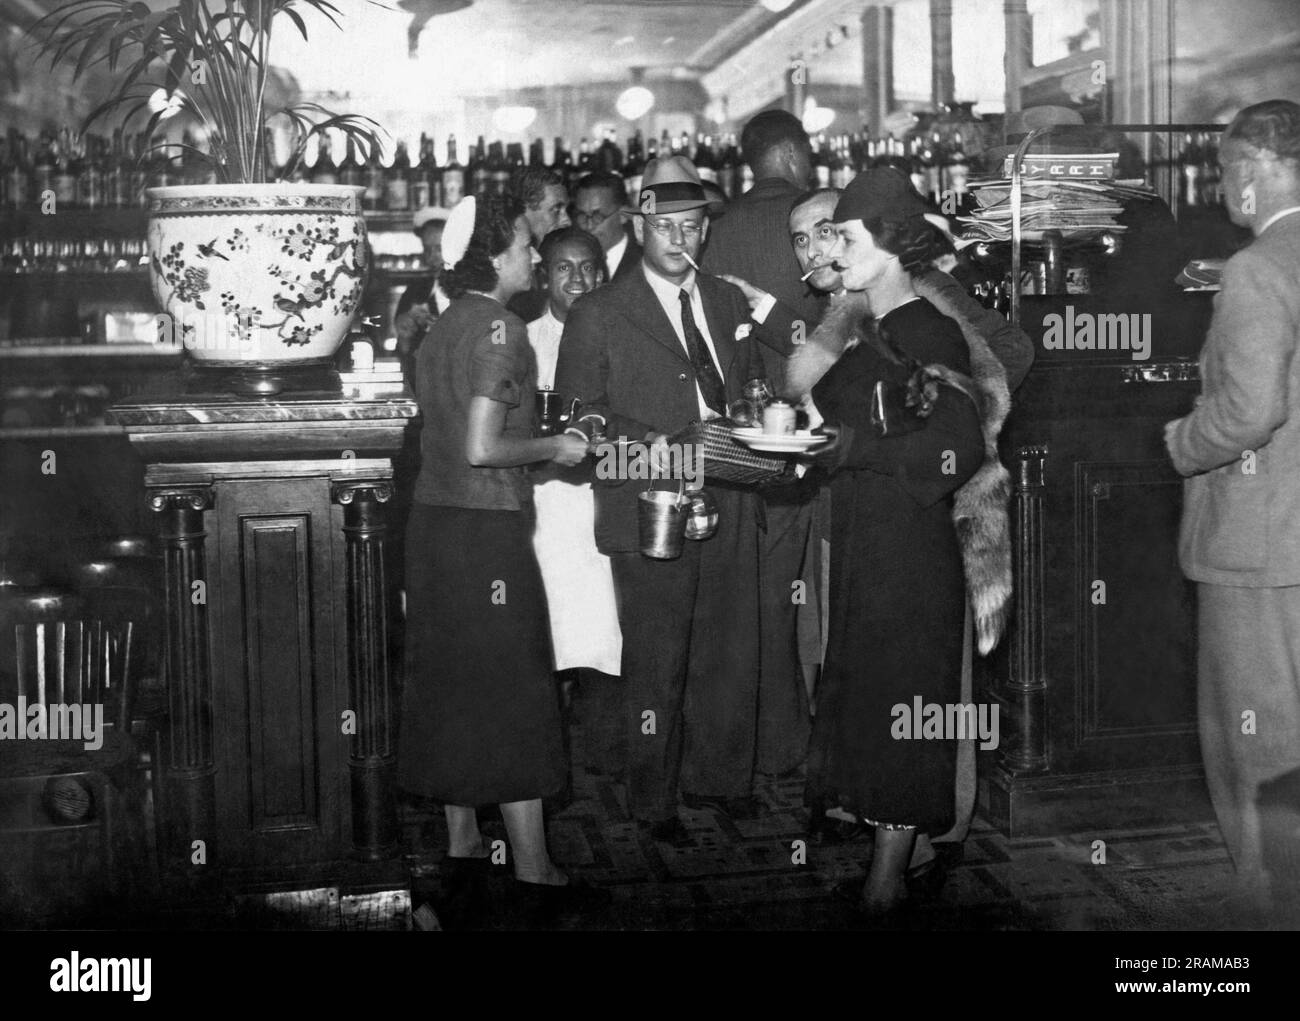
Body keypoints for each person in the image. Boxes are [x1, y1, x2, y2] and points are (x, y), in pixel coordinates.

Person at [555, 156, 766, 846]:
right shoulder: (598, 311)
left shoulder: (731, 301)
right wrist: (673, 444)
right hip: (650, 499)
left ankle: (722, 779)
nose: (681, 239)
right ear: (639, 226)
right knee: (657, 656)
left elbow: (750, 388)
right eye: (666, 226)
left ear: (707, 229)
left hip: (732, 491)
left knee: (729, 647)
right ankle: (653, 800)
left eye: (693, 226)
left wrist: (766, 422)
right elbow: (579, 417)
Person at [397, 193, 597, 917]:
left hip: (434, 527)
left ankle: (463, 845)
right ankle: (535, 872)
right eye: (523, 244)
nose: (534, 255)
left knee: (455, 687)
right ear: (496, 256)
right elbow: (484, 446)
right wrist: (559, 445)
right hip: (485, 533)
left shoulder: (442, 322)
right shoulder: (502, 327)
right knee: (514, 692)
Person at [802, 167, 988, 917]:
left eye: (844, 235)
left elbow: (957, 450)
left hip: (909, 551)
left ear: (885, 243)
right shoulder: (866, 326)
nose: (832, 248)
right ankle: (897, 856)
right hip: (864, 540)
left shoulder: (930, 331)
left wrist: (854, 447)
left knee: (900, 699)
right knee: (872, 701)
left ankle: (885, 882)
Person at [1163, 99, 1300, 924]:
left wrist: (1181, 440)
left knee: (1258, 739)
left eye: (1223, 170)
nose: (1221, 189)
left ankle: (1271, 909)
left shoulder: (1256, 266)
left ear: (1254, 166)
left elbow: (1249, 412)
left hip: (1260, 542)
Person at [700, 110, 823, 778]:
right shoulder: (814, 222)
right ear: (794, 154)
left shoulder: (715, 231)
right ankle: (792, 744)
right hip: (816, 439)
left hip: (736, 442)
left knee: (750, 596)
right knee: (809, 600)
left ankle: (743, 742)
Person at [527, 226, 624, 776]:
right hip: (542, 511)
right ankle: (545, 757)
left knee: (603, 633)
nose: (578, 279)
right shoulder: (521, 339)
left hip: (600, 505)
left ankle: (605, 760)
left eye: (588, 267)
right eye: (564, 267)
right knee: (544, 632)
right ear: (544, 275)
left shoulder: (621, 333)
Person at [507, 166, 571, 322]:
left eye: (566, 210)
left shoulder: (545, 263)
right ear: (524, 210)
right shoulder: (508, 271)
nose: (567, 220)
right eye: (556, 209)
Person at [393, 206, 448, 372]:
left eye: (439, 248)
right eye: (427, 249)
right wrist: (404, 338)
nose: (432, 257)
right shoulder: (414, 293)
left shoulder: (476, 290)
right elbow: (404, 359)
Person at [571, 171, 641, 280]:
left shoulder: (647, 263)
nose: (589, 226)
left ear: (623, 215)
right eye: (582, 216)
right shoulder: (572, 261)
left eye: (597, 217)